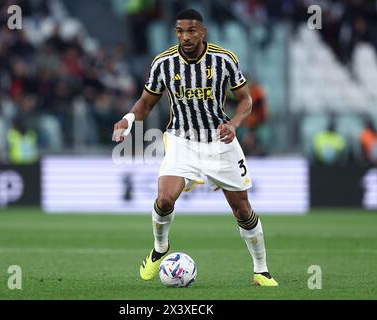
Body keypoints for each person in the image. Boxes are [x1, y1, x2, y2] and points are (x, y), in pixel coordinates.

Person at [112, 9, 278, 286]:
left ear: (202, 32)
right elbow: (146, 103)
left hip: (220, 140)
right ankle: (160, 248)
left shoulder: (224, 60)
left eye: (191, 31)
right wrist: (129, 119)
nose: (185, 37)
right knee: (164, 199)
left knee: (242, 210)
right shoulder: (163, 63)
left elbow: (245, 100)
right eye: (179, 31)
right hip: (181, 140)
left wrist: (235, 124)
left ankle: (261, 270)